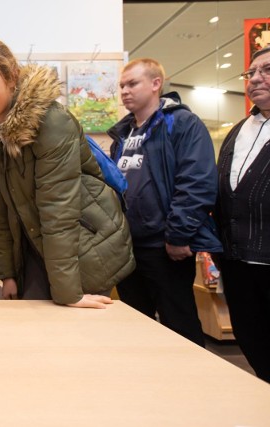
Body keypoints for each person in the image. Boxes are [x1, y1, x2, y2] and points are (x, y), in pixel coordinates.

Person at [0, 35, 135, 308]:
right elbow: (0, 211)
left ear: (11, 76)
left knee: (75, 340)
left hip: (83, 248)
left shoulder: (51, 122)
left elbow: (58, 210)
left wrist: (68, 294)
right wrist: (8, 274)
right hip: (39, 249)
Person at [107, 58, 222, 346]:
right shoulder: (122, 133)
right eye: (122, 85)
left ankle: (193, 385)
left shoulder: (182, 123)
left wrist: (178, 234)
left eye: (132, 83)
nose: (125, 91)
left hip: (165, 246)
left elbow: (196, 182)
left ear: (156, 83)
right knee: (135, 325)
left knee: (178, 324)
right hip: (127, 248)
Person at [215, 45, 270, 382]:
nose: (255, 79)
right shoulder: (239, 129)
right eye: (250, 73)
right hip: (237, 263)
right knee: (253, 343)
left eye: (266, 70)